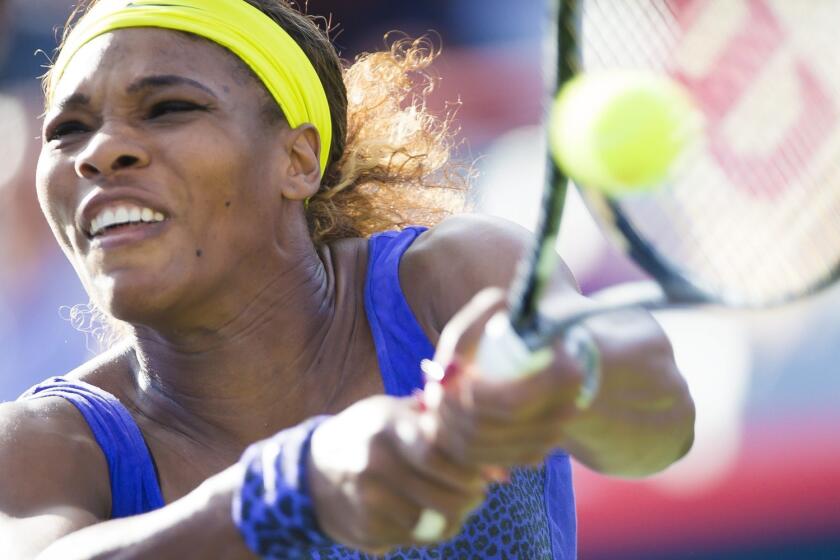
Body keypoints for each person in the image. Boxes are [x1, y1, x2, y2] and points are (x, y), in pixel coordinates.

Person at [0, 0, 695, 558]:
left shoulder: (454, 275)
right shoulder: (43, 443)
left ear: (298, 160)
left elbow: (662, 424)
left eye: (170, 107)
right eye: (68, 130)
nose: (99, 153)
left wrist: (565, 369)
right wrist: (287, 492)